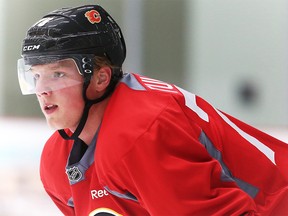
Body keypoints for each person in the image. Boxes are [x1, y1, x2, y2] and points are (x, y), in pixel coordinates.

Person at [17, 4, 288, 216]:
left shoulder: (140, 131)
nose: (42, 89)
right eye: (36, 76)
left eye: (58, 74)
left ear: (100, 79)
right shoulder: (57, 162)